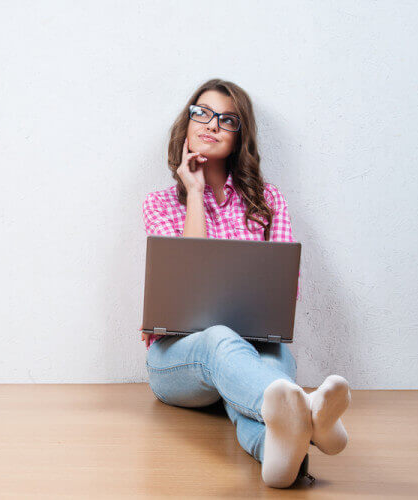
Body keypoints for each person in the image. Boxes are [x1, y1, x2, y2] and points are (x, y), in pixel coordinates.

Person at [138, 79, 351, 488]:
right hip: (178, 361)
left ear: (240, 137)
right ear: (187, 122)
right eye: (201, 112)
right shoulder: (160, 203)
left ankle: (280, 459)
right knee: (219, 338)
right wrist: (195, 192)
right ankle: (314, 417)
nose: (211, 124)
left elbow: (287, 289)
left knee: (271, 372)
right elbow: (187, 285)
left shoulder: (267, 200)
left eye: (227, 119)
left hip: (252, 353)